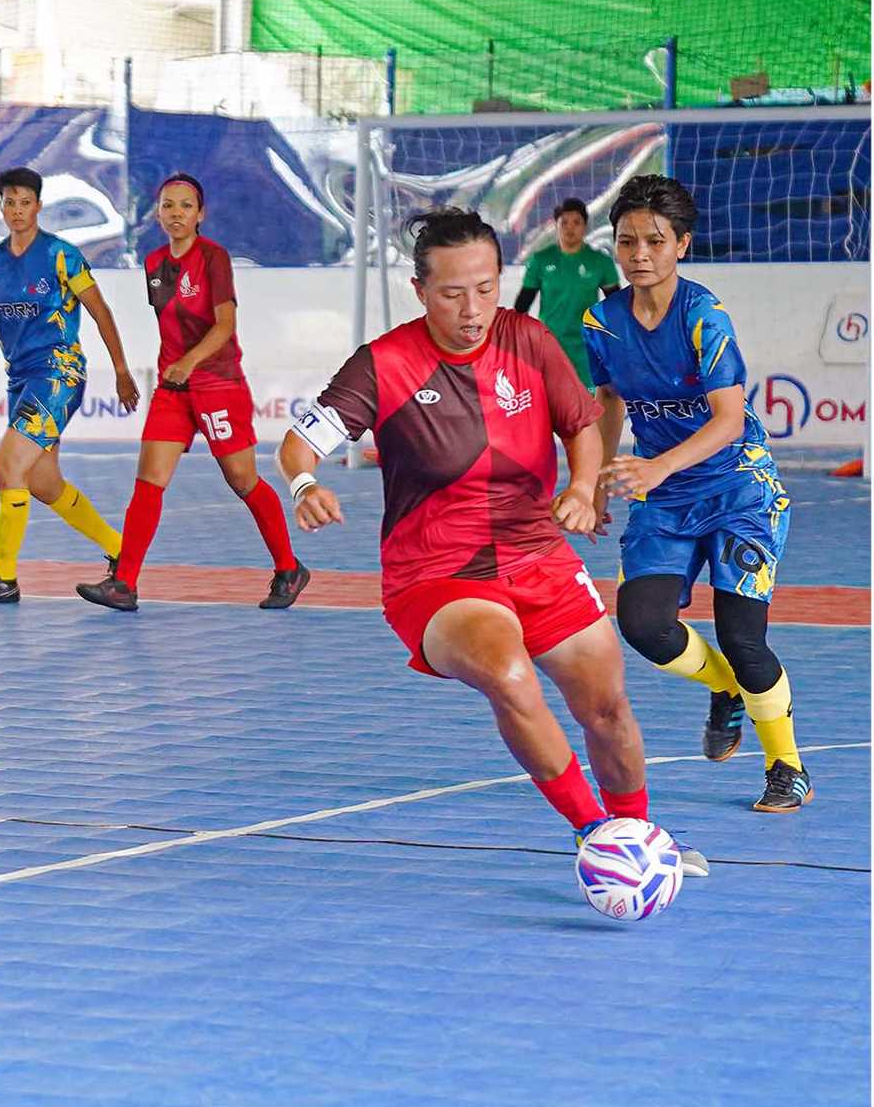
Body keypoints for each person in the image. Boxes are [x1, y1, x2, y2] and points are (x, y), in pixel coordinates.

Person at [277, 207, 705, 875]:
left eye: (485, 288)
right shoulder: (383, 363)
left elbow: (581, 425)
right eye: (452, 293)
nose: (473, 308)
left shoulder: (528, 339)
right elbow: (300, 444)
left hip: (537, 551)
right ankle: (597, 836)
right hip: (435, 572)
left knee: (608, 701)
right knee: (509, 672)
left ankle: (638, 835)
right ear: (420, 292)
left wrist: (582, 487)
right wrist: (305, 486)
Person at [585, 175, 810, 814]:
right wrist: (597, 482)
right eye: (626, 241)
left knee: (744, 639)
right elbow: (608, 402)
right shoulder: (601, 320)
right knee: (644, 625)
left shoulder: (702, 315)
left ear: (681, 243)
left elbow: (729, 421)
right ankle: (726, 689)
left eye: (655, 240)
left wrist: (654, 469)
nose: (639, 253)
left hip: (739, 487)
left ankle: (786, 767)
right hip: (666, 496)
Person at [76, 173, 307, 612]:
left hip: (218, 385)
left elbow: (225, 325)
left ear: (200, 214)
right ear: (158, 212)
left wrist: (191, 362)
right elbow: (170, 326)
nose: (176, 213)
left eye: (185, 206)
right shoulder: (153, 264)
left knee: (242, 480)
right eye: (168, 205)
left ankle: (288, 568)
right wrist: (152, 372)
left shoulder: (215, 259)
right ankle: (124, 583)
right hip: (172, 389)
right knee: (148, 481)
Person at [0, 166, 139, 603]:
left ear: (38, 206)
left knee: (7, 464)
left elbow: (100, 311)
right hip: (21, 378)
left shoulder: (61, 255)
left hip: (58, 372)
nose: (17, 211)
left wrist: (121, 369)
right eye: (10, 203)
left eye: (25, 203)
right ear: (1, 207)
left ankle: (4, 578)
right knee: (43, 483)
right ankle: (121, 552)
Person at [512, 196, 621, 391]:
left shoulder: (600, 262)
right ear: (556, 225)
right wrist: (520, 339)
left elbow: (617, 306)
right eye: (564, 222)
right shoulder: (540, 260)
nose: (570, 228)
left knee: (588, 405)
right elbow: (522, 305)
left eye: (576, 222)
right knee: (551, 403)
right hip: (550, 343)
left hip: (587, 346)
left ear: (585, 226)